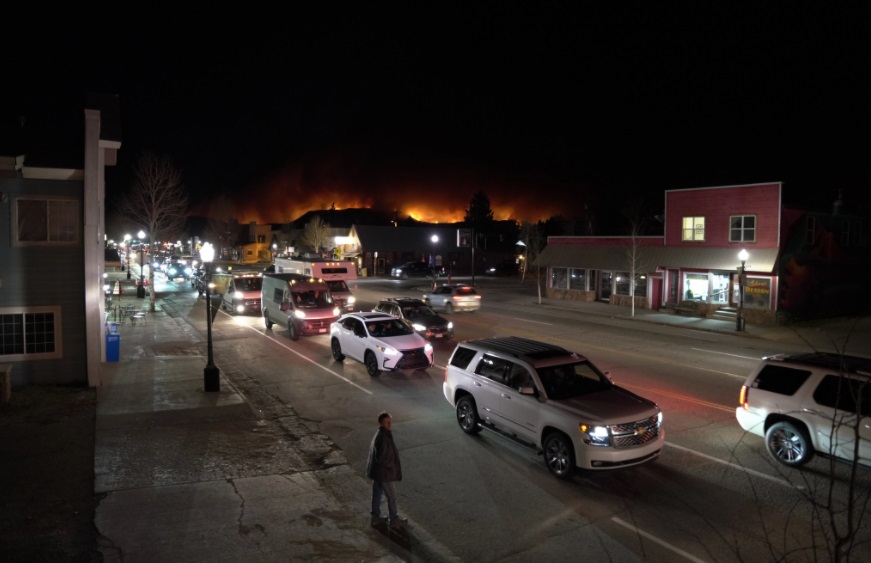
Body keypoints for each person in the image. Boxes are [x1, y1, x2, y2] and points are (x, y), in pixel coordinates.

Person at [366, 411, 405, 530]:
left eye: (390, 422)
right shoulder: (383, 437)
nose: (390, 424)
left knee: (377, 494)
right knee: (391, 496)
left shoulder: (380, 434)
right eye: (387, 422)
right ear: (382, 423)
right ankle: (394, 520)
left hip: (377, 472)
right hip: (384, 473)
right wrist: (391, 465)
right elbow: (382, 457)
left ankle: (375, 518)